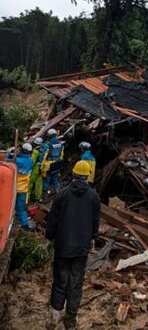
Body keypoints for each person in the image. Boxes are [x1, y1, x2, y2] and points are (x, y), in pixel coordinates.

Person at [46, 160, 100, 329]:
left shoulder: (62, 194)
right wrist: (92, 238)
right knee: (76, 284)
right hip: (81, 249)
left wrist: (49, 238)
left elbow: (53, 219)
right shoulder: (94, 196)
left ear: (75, 174)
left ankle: (55, 317)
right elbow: (95, 222)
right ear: (87, 175)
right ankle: (70, 320)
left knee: (60, 281)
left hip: (62, 247)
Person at [40, 128, 64, 201]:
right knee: (56, 180)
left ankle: (45, 198)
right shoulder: (60, 144)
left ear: (49, 136)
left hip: (48, 165)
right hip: (56, 164)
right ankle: (59, 197)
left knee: (46, 180)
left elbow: (43, 156)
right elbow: (61, 155)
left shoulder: (47, 145)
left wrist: (41, 166)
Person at [15, 143, 35, 229]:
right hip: (23, 188)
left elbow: (6, 160)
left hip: (14, 187)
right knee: (21, 207)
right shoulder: (31, 161)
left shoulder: (17, 160)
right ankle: (24, 223)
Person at [29, 137, 43, 201]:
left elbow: (32, 162)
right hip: (41, 168)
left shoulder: (35, 151)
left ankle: (27, 197)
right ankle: (38, 197)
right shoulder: (43, 149)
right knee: (39, 184)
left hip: (35, 169)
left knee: (30, 183)